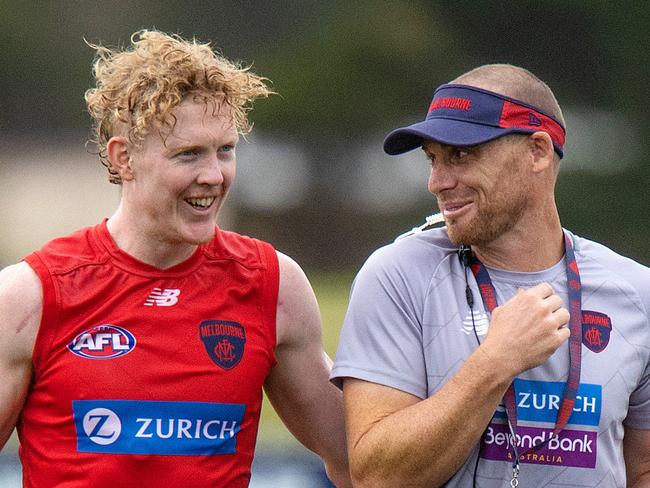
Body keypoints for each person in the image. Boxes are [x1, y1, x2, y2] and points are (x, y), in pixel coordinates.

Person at [0, 29, 351, 488]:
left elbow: (360, 460)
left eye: (225, 150)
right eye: (188, 155)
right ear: (123, 158)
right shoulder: (31, 294)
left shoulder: (273, 285)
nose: (214, 175)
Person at [331, 64, 650, 487]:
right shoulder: (396, 275)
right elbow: (376, 477)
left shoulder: (636, 293)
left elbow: (642, 470)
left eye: (461, 155)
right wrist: (494, 363)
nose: (437, 182)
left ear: (537, 151)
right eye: (433, 159)